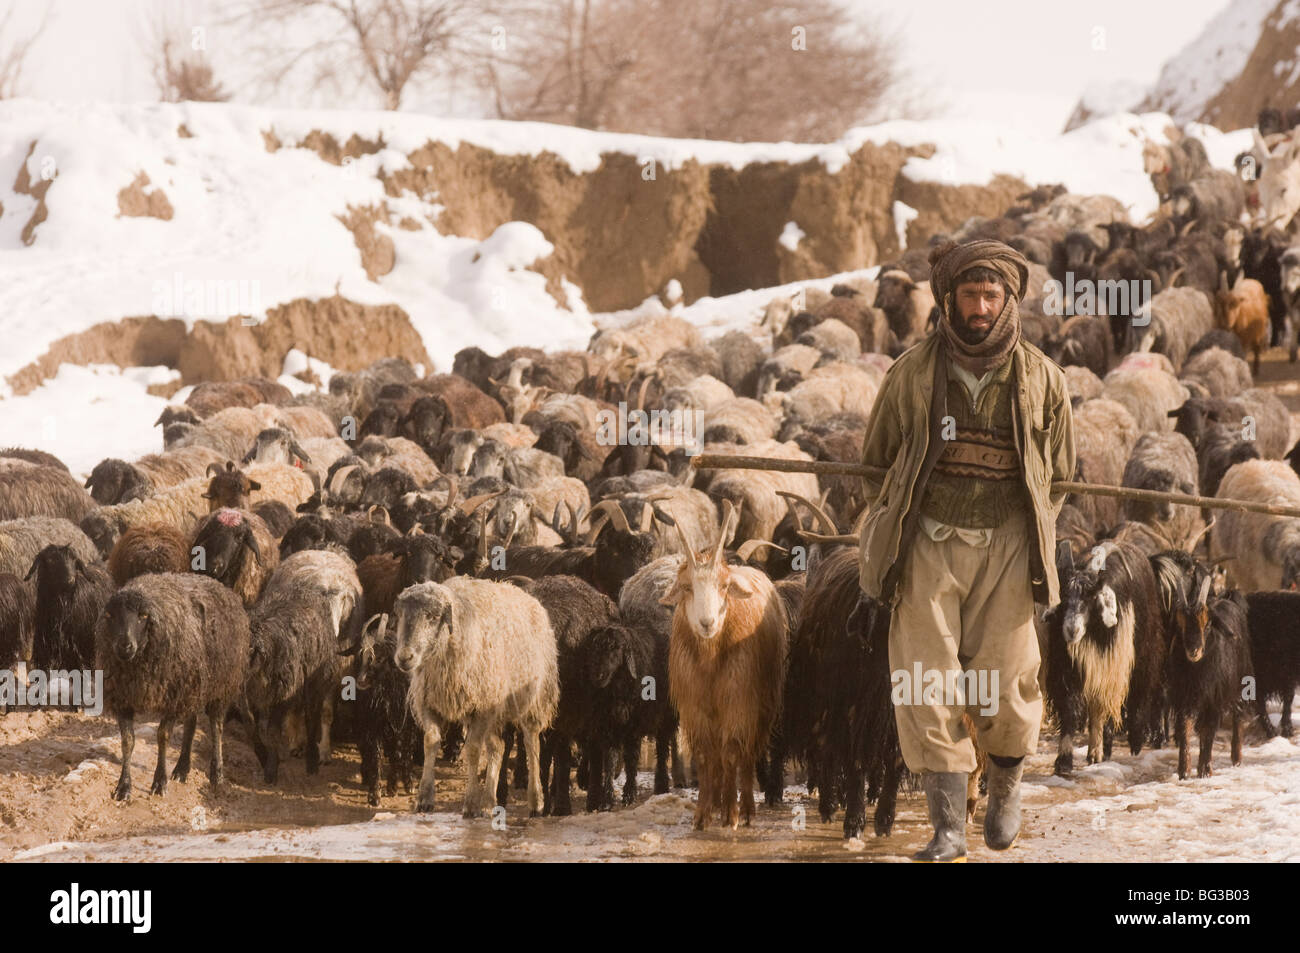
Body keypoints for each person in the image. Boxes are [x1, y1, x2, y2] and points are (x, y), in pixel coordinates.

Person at [854, 238, 1076, 862]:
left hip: (1008, 548)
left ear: (1008, 299)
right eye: (970, 294)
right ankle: (948, 825)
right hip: (928, 547)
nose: (981, 305)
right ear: (948, 300)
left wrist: (1029, 530)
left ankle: (1005, 786)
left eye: (992, 293)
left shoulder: (1042, 381)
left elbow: (1058, 475)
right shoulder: (910, 375)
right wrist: (897, 525)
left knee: (1007, 681)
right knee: (926, 682)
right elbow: (875, 466)